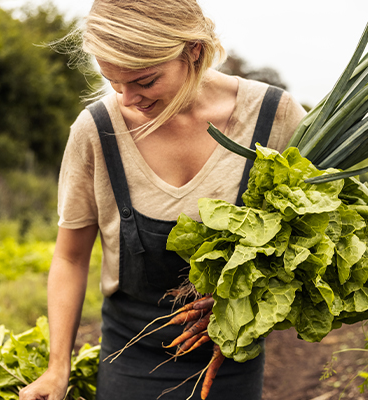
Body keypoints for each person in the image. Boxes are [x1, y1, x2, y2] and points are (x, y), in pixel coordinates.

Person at [18, 1, 306, 399]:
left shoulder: (274, 118)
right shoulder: (97, 132)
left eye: (145, 81)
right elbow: (70, 256)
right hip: (131, 359)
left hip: (231, 365)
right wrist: (56, 369)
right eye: (114, 83)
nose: (127, 99)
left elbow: (307, 244)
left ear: (194, 51)